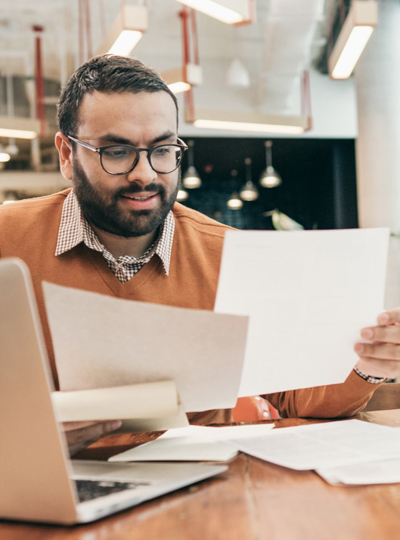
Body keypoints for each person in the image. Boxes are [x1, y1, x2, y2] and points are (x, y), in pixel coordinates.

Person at [0, 55, 399, 455]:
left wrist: (370, 364)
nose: (146, 174)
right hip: (42, 481)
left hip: (198, 489)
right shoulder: (8, 239)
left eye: (162, 149)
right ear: (67, 154)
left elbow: (296, 398)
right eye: (117, 152)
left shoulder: (228, 254)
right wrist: (23, 429)